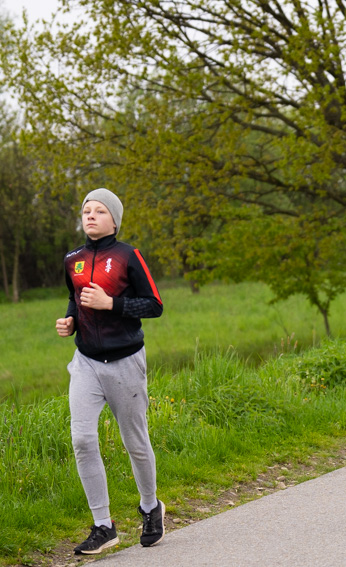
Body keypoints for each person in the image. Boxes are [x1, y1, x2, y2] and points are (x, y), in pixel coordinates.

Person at [56, 189, 165, 555]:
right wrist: (70, 320)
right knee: (82, 440)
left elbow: (154, 305)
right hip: (85, 362)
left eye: (99, 211)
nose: (91, 215)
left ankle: (151, 508)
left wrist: (112, 303)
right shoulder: (73, 259)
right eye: (87, 210)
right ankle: (104, 526)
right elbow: (74, 296)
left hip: (125, 362)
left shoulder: (128, 255)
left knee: (135, 441)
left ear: (114, 220)